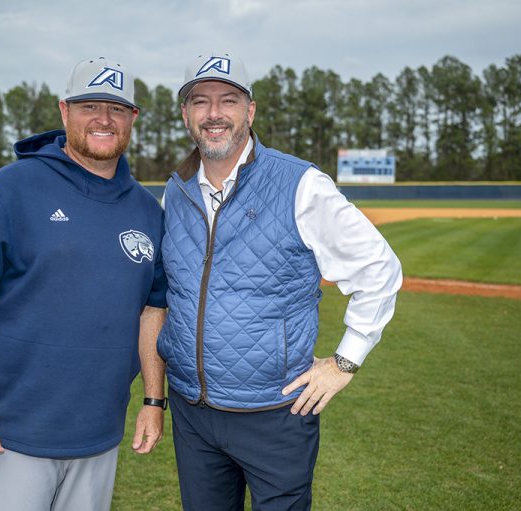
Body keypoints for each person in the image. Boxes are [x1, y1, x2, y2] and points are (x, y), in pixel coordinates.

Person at [157, 51, 403, 510]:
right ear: (186, 115)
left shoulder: (300, 183)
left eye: (228, 101)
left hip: (275, 413)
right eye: (200, 101)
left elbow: (379, 267)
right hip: (193, 413)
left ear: (250, 112)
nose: (214, 114)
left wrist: (345, 361)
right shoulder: (177, 190)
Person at [0, 56, 168, 511]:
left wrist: (154, 401)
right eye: (89, 106)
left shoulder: (146, 211)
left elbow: (151, 310)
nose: (103, 119)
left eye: (117, 109)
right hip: (11, 435)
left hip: (100, 435)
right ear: (64, 112)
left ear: (133, 118)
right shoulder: (12, 188)